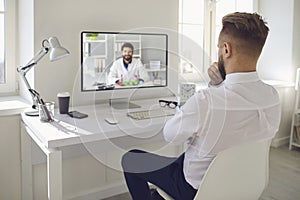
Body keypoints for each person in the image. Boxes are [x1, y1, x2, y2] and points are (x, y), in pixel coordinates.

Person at [121, 12, 281, 200]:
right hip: (243, 186)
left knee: (131, 159)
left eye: (218, 48)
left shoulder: (206, 100)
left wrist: (210, 92)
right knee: (179, 164)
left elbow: (170, 134)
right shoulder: (272, 97)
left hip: (196, 190)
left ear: (226, 49)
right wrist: (219, 86)